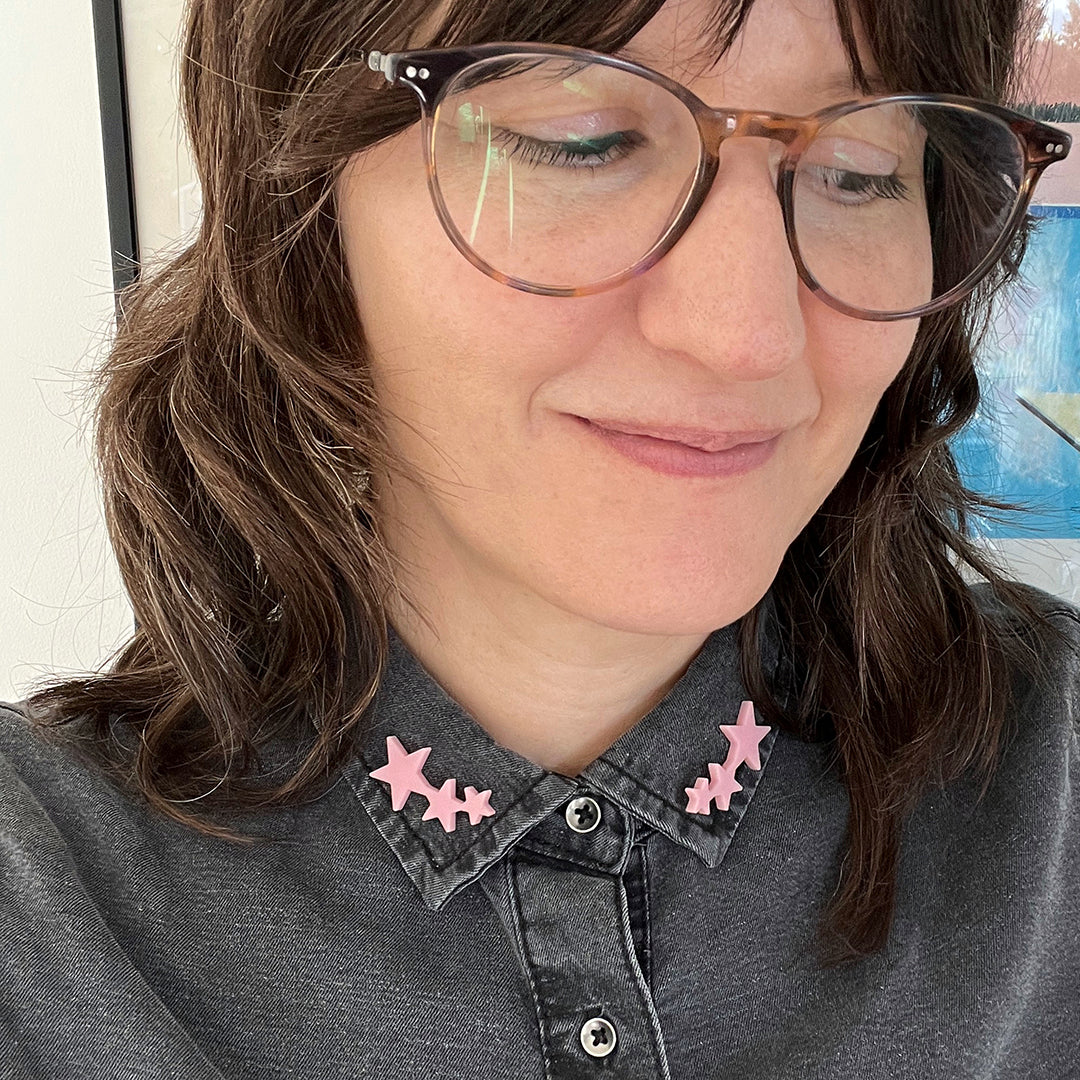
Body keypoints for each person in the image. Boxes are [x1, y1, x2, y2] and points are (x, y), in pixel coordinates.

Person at [1, 0, 1077, 1076]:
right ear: (304, 196)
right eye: (583, 142)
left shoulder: (1051, 792)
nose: (749, 336)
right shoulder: (45, 924)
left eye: (858, 173)